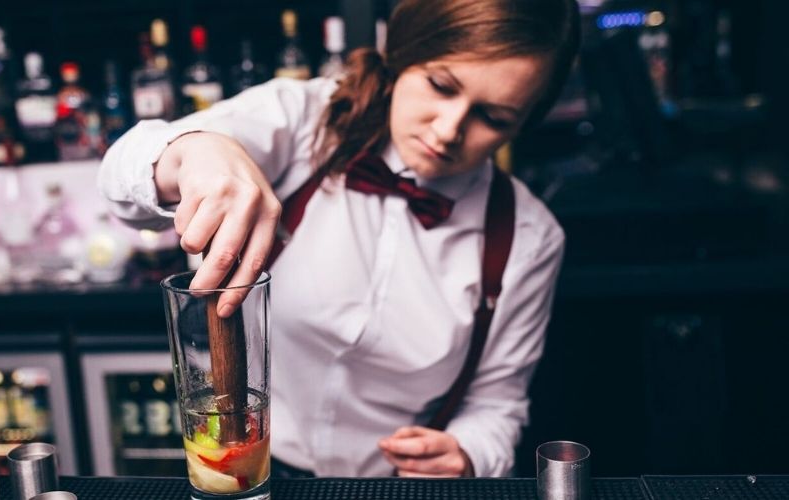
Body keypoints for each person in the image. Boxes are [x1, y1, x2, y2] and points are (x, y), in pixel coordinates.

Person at [100, 0, 581, 478]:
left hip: (392, 486)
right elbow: (121, 178)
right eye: (441, 85)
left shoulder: (528, 236)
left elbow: (498, 406)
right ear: (402, 53)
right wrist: (197, 149)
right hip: (248, 466)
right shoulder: (306, 119)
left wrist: (469, 451)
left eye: (494, 118)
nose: (450, 129)